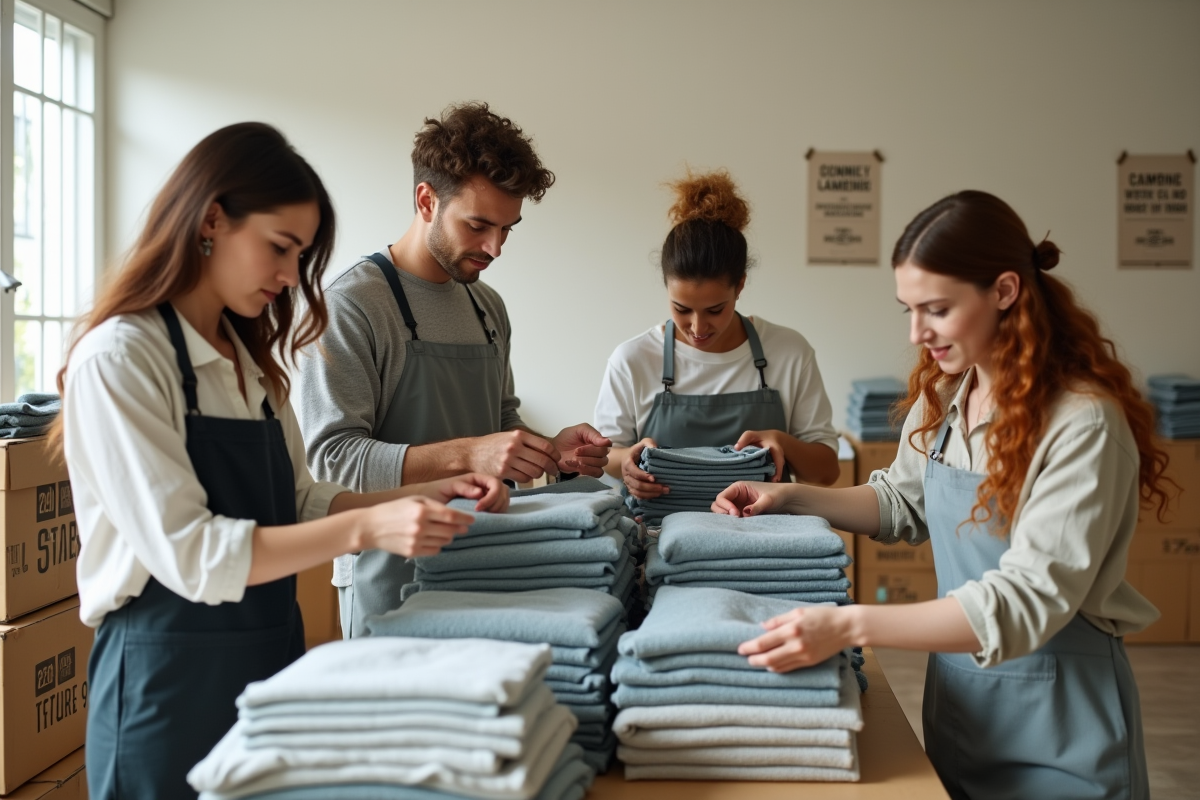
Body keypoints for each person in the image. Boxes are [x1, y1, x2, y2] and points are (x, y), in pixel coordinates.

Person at [56, 123, 507, 800]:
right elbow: (193, 554)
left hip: (270, 668)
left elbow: (300, 501)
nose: (291, 276)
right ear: (211, 219)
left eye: (299, 255)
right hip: (164, 683)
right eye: (279, 248)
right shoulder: (122, 358)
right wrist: (366, 531)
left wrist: (431, 495)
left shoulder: (248, 361)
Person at [712, 190, 1168, 800]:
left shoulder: (1081, 423)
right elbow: (900, 504)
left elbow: (1025, 601)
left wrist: (847, 625)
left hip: (1062, 721)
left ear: (1004, 291)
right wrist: (789, 497)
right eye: (908, 309)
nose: (917, 332)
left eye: (937, 309)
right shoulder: (946, 396)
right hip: (962, 705)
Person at [293, 102, 611, 637]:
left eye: (507, 229)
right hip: (389, 577)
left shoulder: (487, 306)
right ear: (426, 200)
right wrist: (468, 453)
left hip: (489, 562)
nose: (495, 248)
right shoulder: (350, 307)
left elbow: (501, 420)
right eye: (479, 225)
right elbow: (332, 461)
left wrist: (550, 450)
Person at [595, 170, 839, 502]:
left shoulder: (789, 351)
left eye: (714, 310)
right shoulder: (632, 360)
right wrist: (627, 462)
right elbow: (606, 455)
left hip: (764, 536)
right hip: (658, 537)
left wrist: (780, 441)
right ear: (666, 286)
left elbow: (826, 472)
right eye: (681, 309)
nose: (697, 328)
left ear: (740, 286)